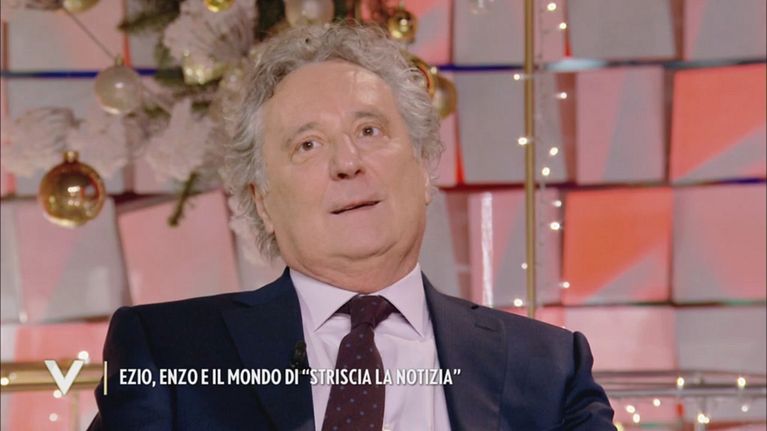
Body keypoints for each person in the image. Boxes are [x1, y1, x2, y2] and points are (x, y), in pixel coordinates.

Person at [88, 23, 615, 431]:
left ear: (423, 167)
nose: (347, 163)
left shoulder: (548, 368)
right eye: (308, 145)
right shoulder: (168, 352)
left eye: (369, 130)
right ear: (263, 203)